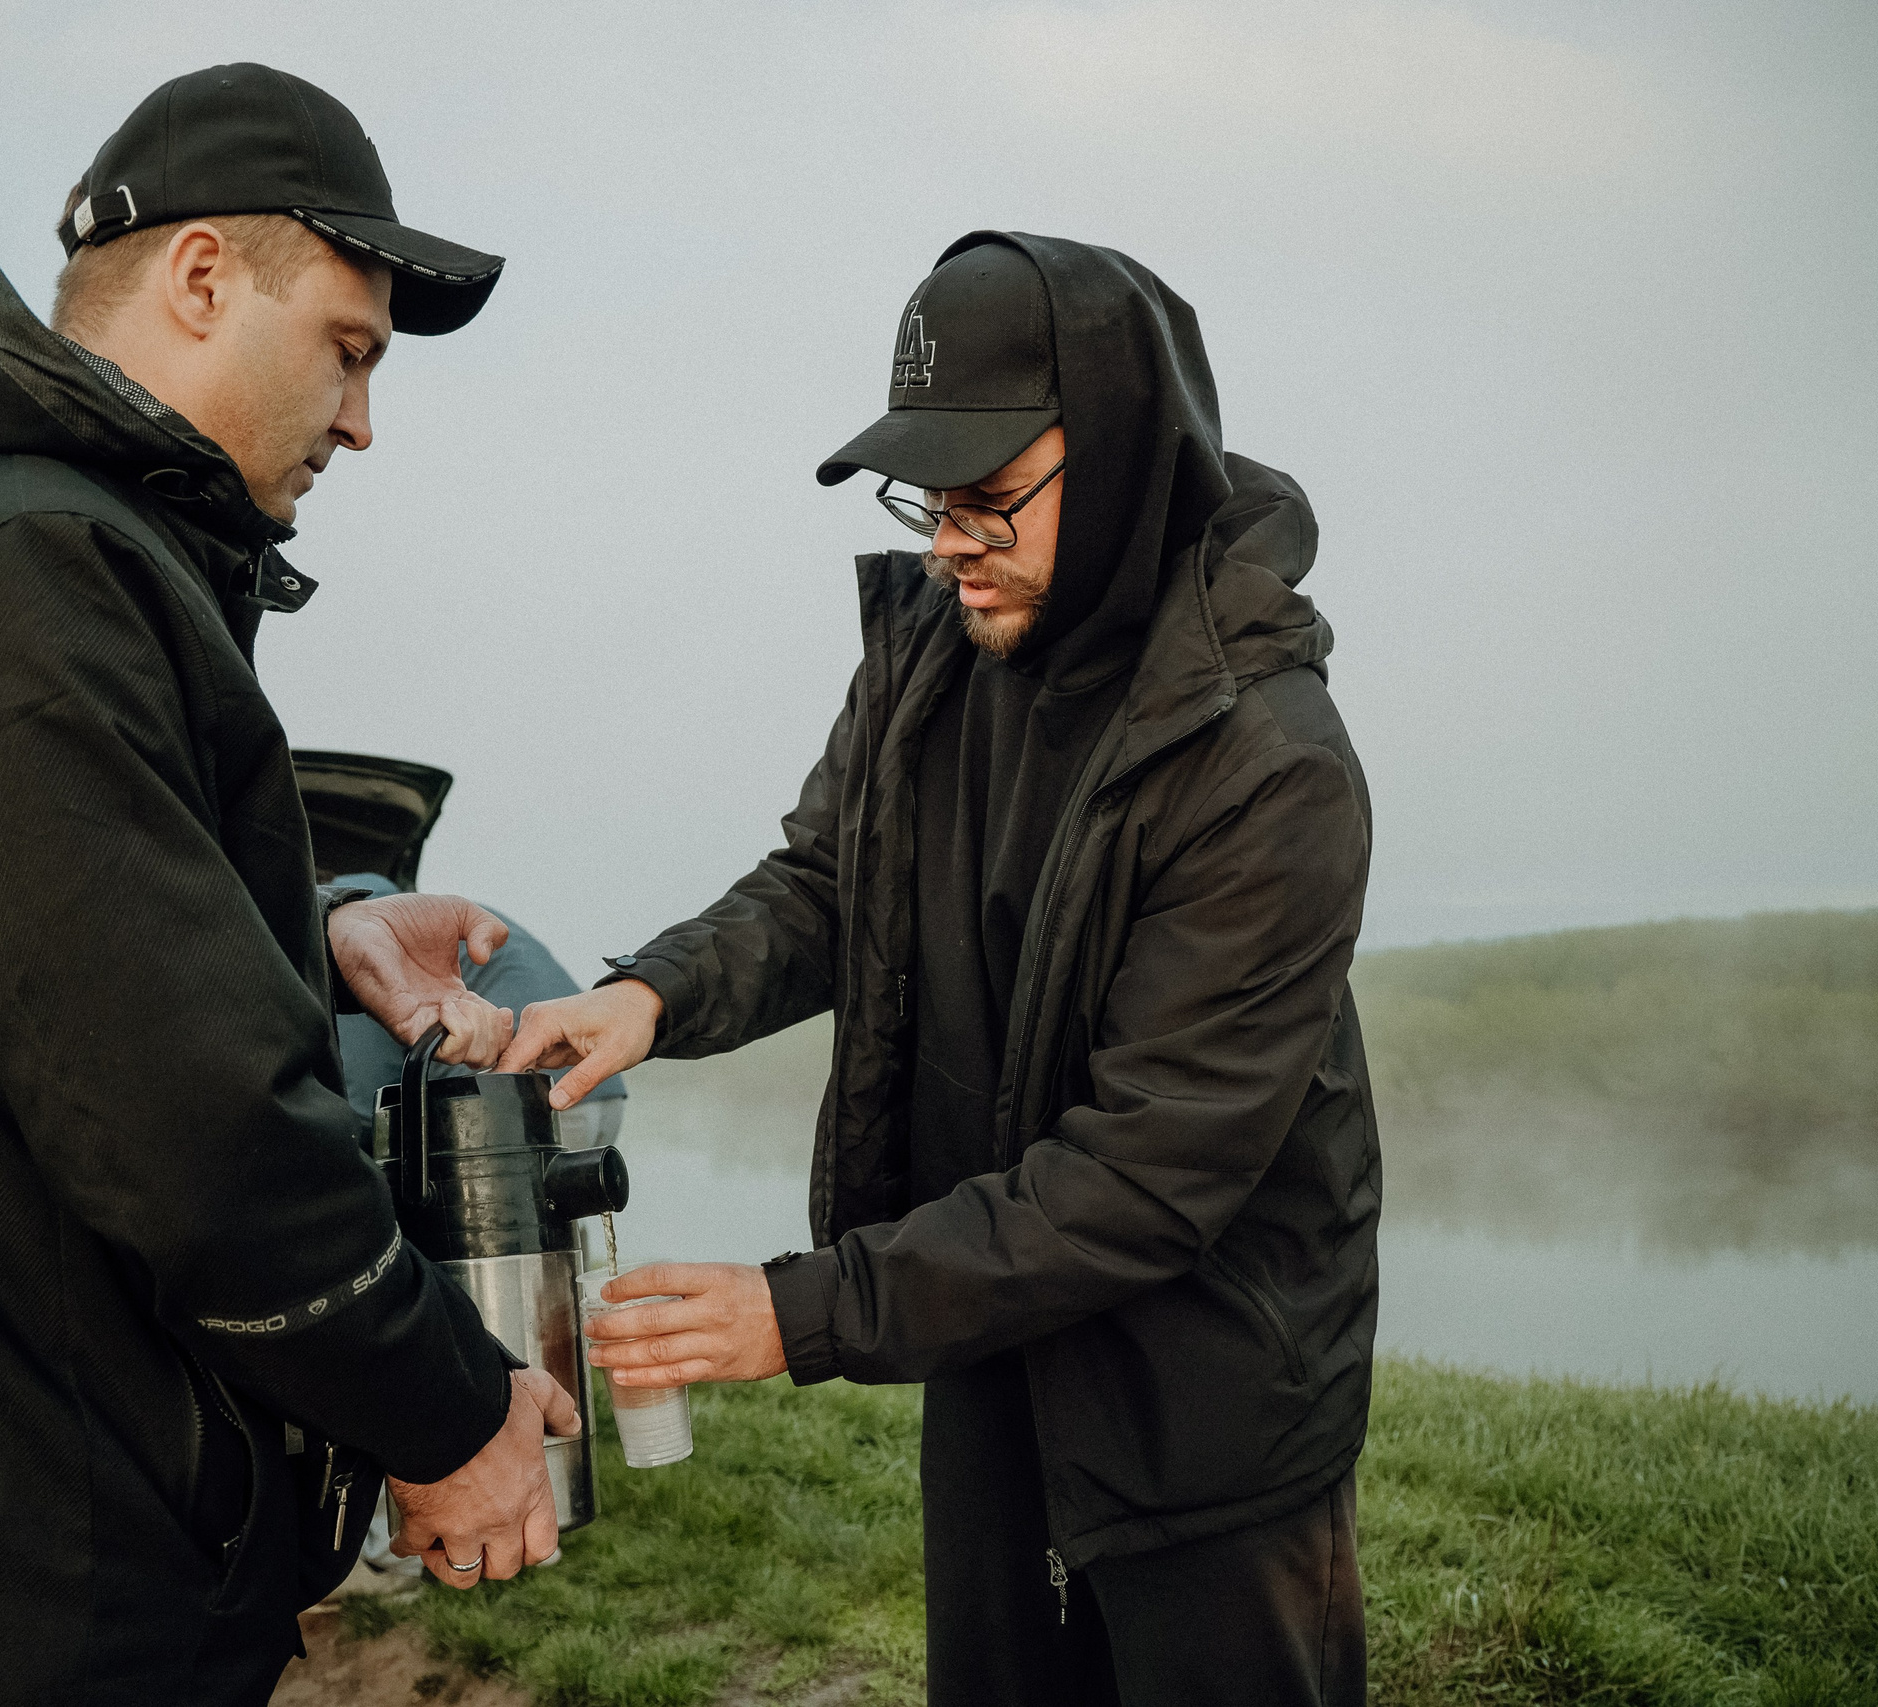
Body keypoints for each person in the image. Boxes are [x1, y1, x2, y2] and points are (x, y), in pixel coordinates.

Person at [0, 65, 574, 1705]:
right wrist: (450, 1411)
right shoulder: (16, 573)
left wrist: (317, 923)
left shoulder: (45, 550)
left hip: (55, 1560)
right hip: (7, 1606)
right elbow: (198, 1136)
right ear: (202, 279)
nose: (361, 421)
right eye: (348, 351)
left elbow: (61, 960)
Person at [504, 234, 1378, 1705]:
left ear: (1119, 459)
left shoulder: (1268, 759)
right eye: (930, 498)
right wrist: (650, 994)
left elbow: (1148, 1175)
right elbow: (832, 882)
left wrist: (804, 1308)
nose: (946, 544)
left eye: (987, 498)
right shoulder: (935, 649)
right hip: (991, 1341)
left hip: (1208, 1408)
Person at [331, 872, 629, 1146]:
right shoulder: (431, 916)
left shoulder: (350, 932)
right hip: (600, 1089)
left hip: (520, 1103)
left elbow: (365, 1092)